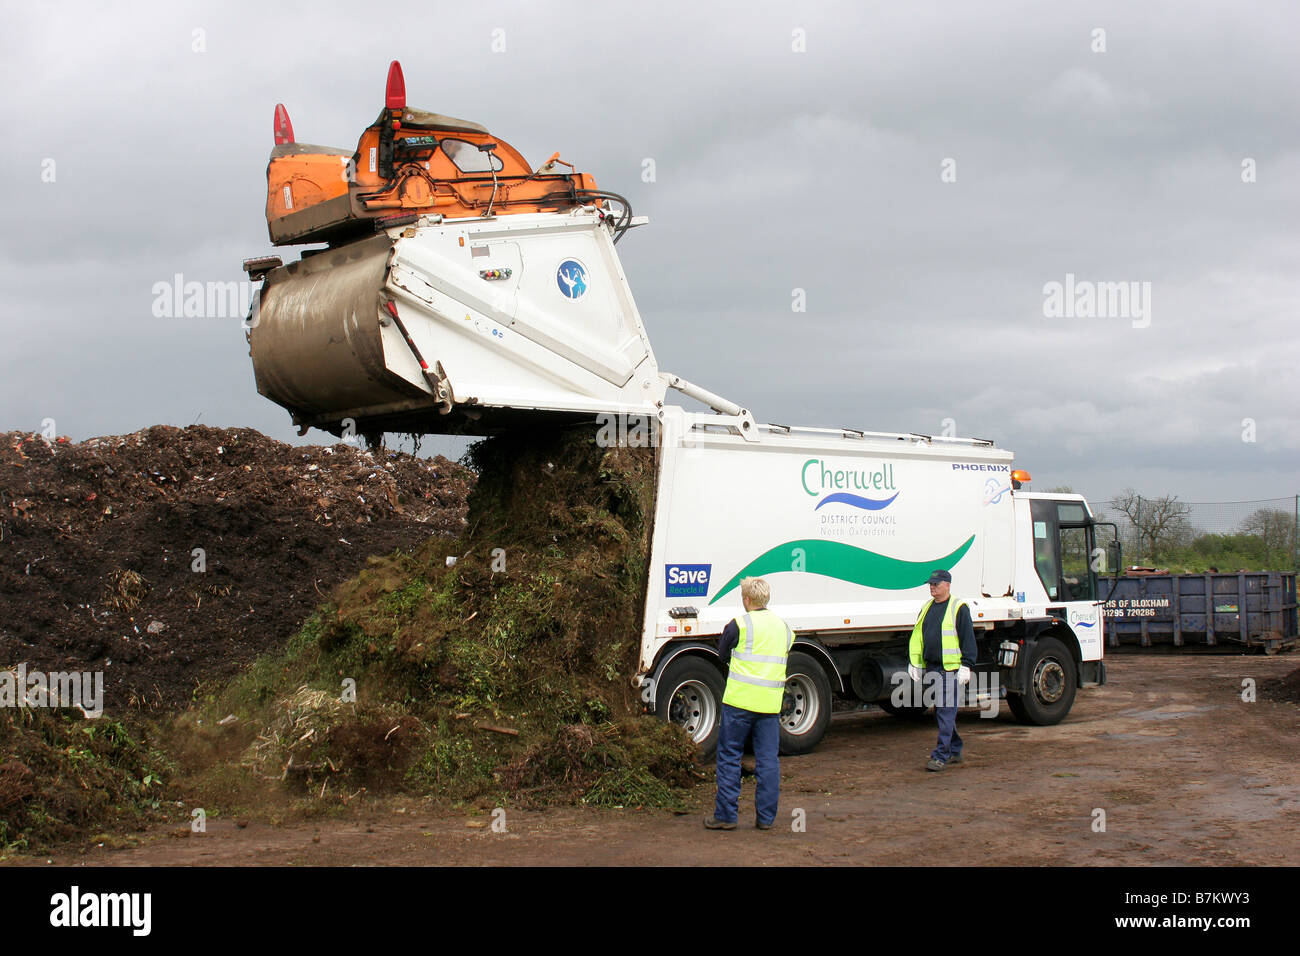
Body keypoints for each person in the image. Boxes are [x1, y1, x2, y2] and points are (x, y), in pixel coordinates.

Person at [705, 576, 794, 830]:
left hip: (739, 703)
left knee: (730, 756)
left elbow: (722, 654)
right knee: (768, 760)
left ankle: (726, 816)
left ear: (747, 599)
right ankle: (766, 819)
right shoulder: (785, 628)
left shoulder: (739, 625)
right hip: (769, 706)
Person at [907, 569, 977, 772]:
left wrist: (967, 665)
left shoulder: (958, 608)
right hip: (933, 667)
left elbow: (967, 638)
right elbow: (919, 637)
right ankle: (954, 750)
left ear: (947, 585)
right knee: (941, 710)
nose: (932, 587)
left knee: (945, 711)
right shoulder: (927, 607)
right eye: (930, 584)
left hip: (950, 669)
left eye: (936, 584)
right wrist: (916, 663)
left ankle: (941, 755)